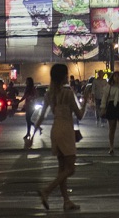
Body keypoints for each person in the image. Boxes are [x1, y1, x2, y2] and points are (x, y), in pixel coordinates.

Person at [36, 63, 85, 211]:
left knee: (62, 168)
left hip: (55, 130)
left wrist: (34, 131)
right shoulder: (68, 93)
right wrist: (87, 99)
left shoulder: (49, 94)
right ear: (64, 76)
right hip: (66, 130)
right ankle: (47, 190)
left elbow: (42, 115)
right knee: (70, 169)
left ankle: (66, 201)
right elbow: (80, 115)